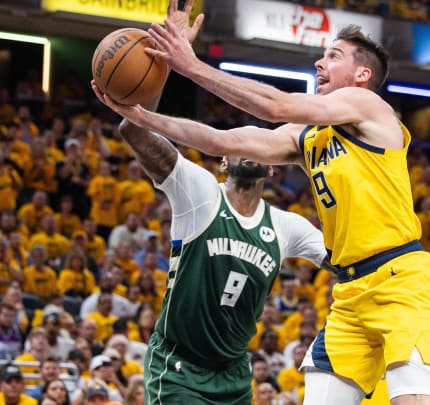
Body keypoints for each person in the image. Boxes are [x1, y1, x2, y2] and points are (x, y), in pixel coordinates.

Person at [93, 14, 430, 405]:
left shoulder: (370, 107)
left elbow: (276, 105)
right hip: (351, 293)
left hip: (402, 279)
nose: (319, 63)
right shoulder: (306, 138)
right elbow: (220, 140)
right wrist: (143, 118)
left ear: (362, 74)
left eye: (333, 56)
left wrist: (189, 65)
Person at [96, 2, 330, 404]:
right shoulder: (200, 191)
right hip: (180, 366)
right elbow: (134, 135)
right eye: (239, 140)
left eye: (260, 143)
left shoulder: (288, 227)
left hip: (234, 373)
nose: (250, 146)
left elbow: (346, 262)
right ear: (223, 158)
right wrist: (159, 70)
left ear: (274, 167)